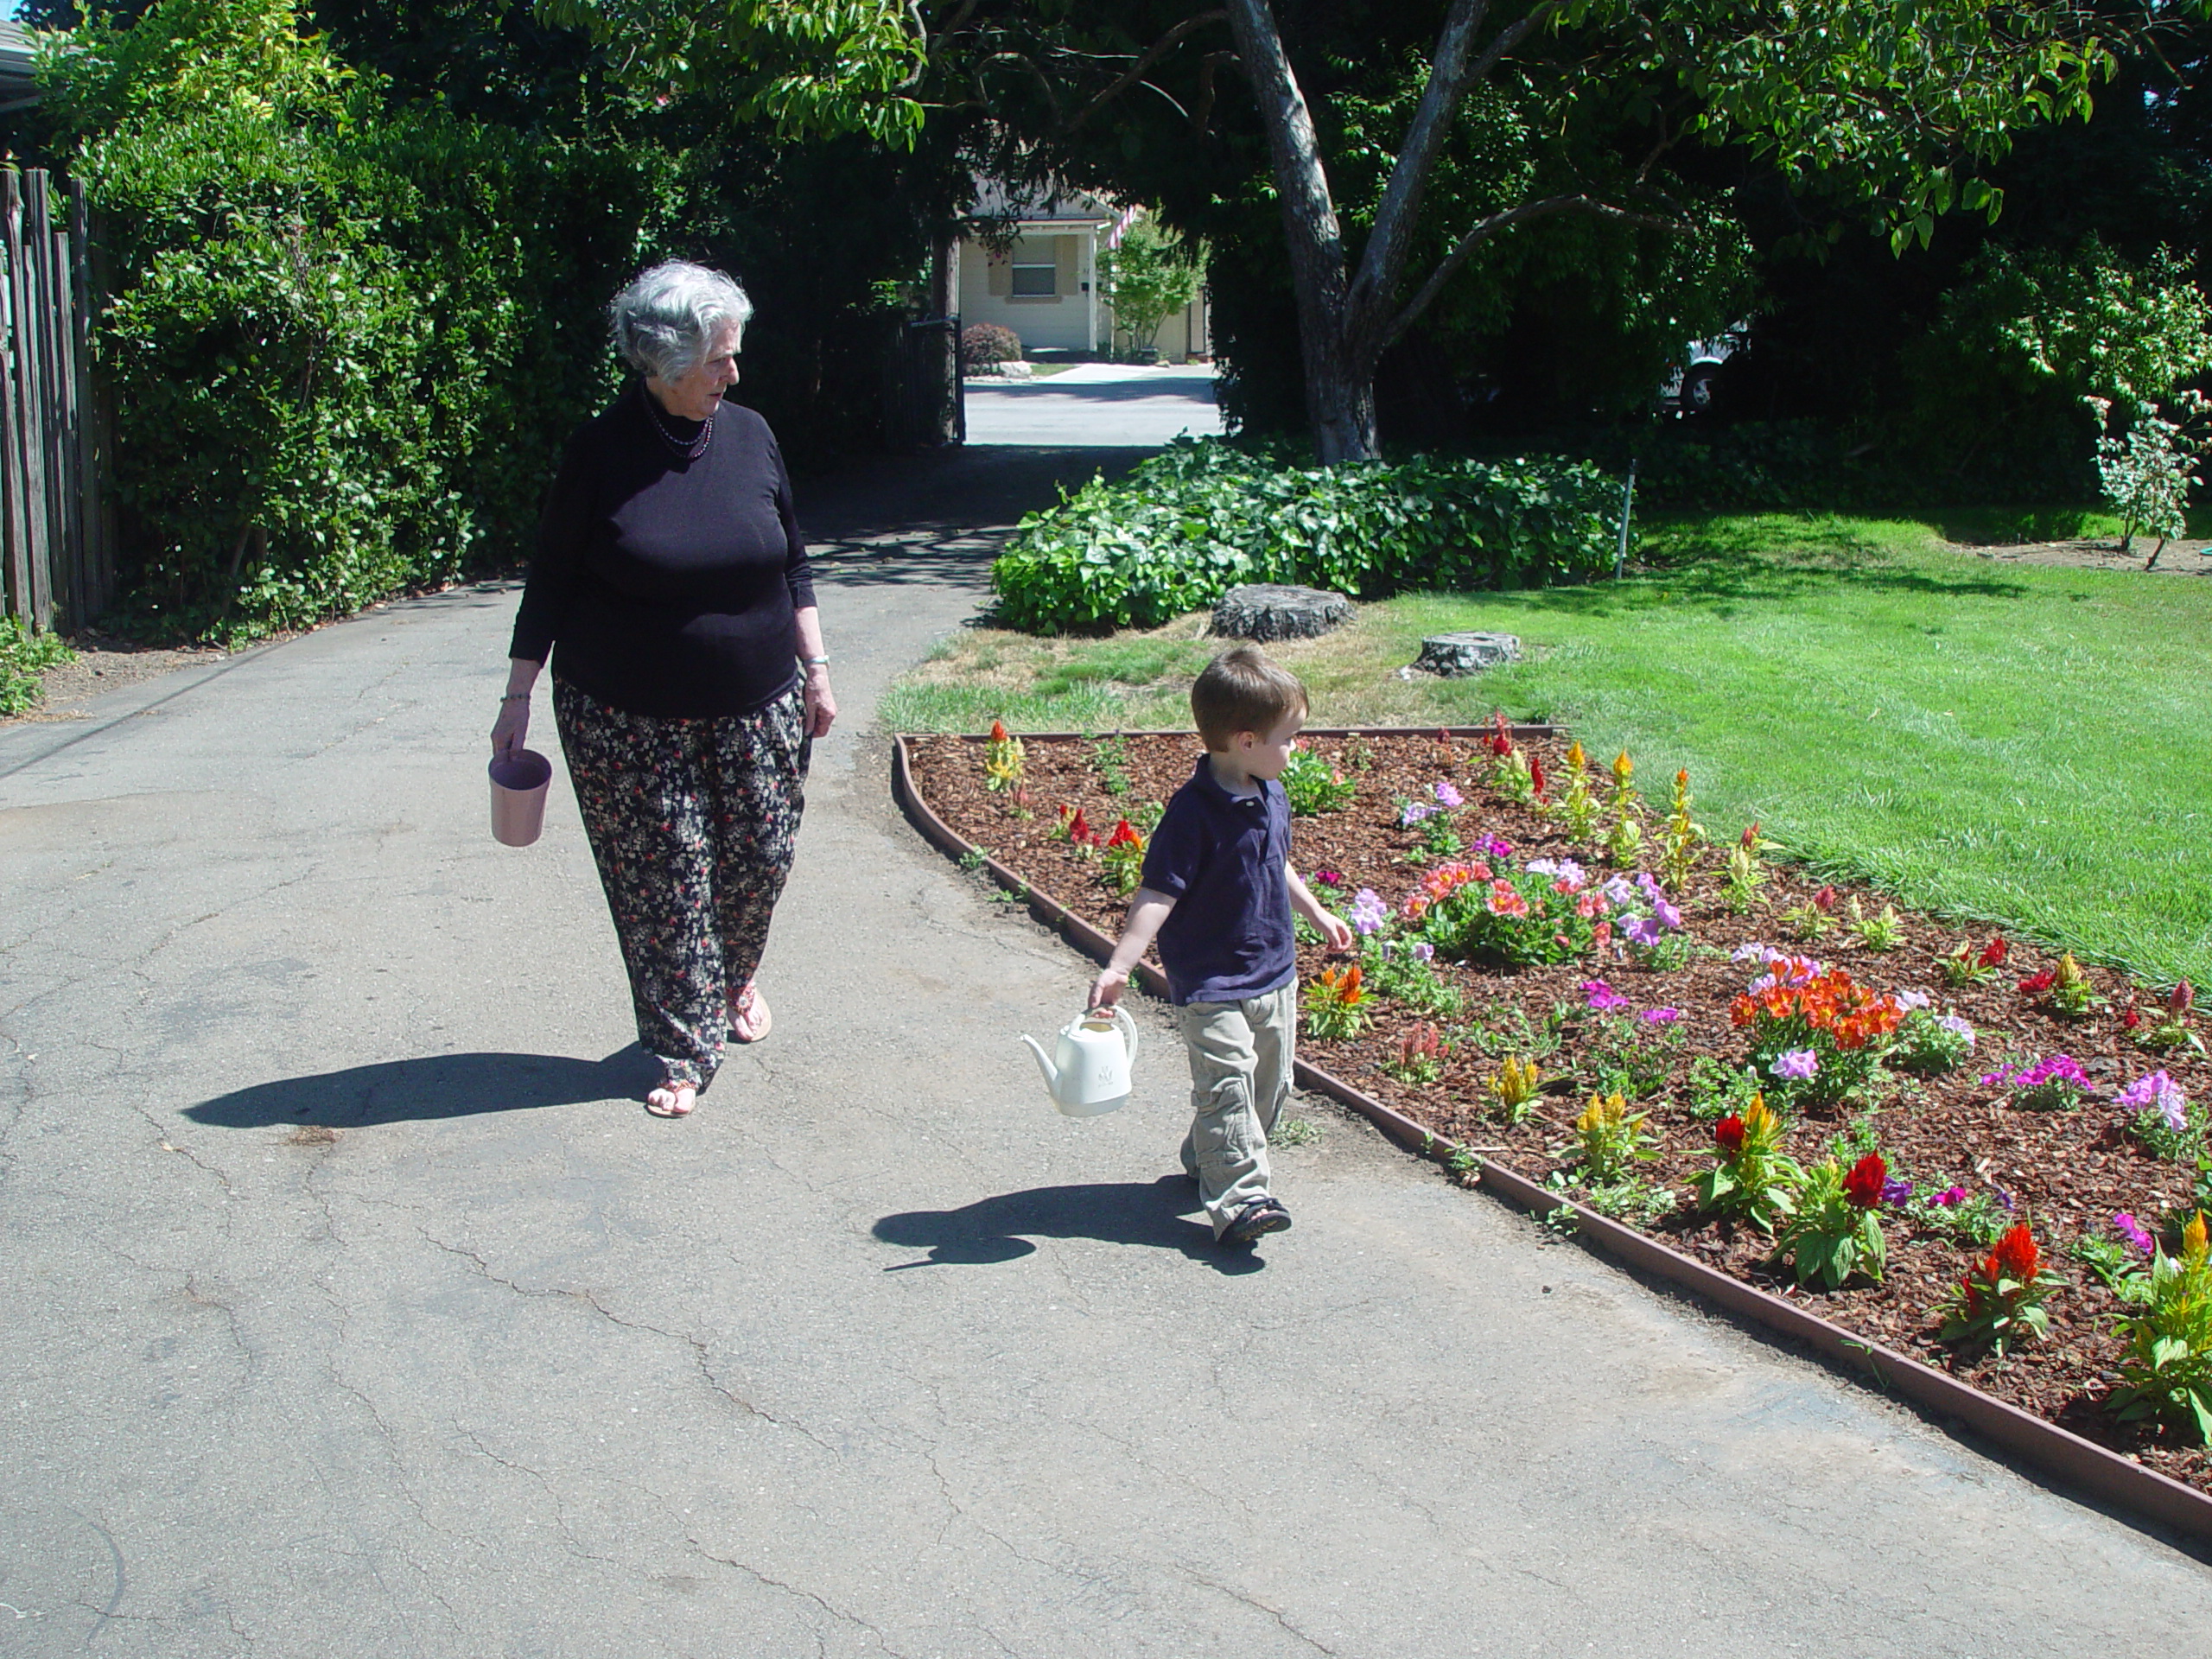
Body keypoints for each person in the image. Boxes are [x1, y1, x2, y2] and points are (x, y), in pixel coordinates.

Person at [492, 259, 836, 1119]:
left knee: (758, 863)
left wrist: (819, 670)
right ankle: (684, 1046)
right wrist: (517, 697)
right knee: (667, 883)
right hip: (623, 717)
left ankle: (734, 973)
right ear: (662, 359)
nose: (734, 374)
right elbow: (550, 583)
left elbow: (792, 557)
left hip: (761, 704)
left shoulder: (753, 435)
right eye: (719, 358)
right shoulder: (599, 454)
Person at [1087, 645, 1353, 1243]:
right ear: (1245, 740)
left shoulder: (1268, 791)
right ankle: (1241, 1198)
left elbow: (1275, 861)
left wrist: (1314, 911)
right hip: (1210, 981)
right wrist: (1119, 966)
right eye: (1290, 737)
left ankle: (1209, 1157)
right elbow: (1157, 893)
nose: (1297, 748)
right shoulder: (1192, 815)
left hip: (1273, 972)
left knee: (1267, 1085)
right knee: (1229, 1082)